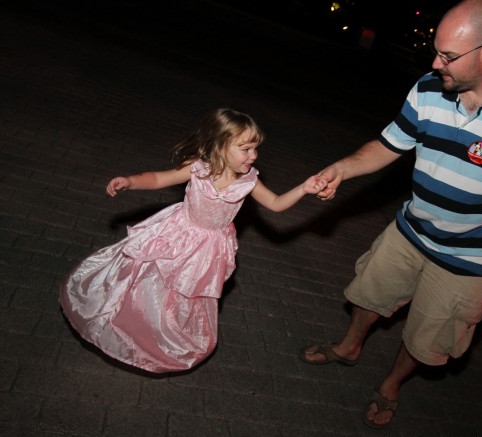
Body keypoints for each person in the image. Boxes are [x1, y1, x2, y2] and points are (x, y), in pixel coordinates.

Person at [299, 0, 482, 429]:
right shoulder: (430, 87)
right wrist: (342, 168)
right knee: (368, 293)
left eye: (448, 55)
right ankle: (349, 346)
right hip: (412, 229)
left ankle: (390, 385)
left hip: (472, 260)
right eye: (437, 50)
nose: (435, 62)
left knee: (429, 336)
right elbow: (390, 144)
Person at [60, 108, 325, 373]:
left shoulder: (249, 181)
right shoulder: (199, 168)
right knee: (148, 277)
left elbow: (276, 204)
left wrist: (303, 189)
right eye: (245, 149)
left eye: (256, 149)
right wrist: (130, 181)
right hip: (178, 231)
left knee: (185, 294)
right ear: (220, 146)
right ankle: (130, 318)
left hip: (209, 248)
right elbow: (159, 178)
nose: (253, 156)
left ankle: (165, 336)